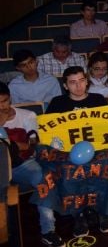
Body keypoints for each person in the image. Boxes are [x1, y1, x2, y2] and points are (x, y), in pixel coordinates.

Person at [46, 67, 108, 235]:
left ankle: (104, 213)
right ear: (66, 85)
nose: (78, 86)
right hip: (69, 152)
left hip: (98, 149)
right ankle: (79, 214)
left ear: (87, 81)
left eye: (82, 81)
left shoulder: (97, 99)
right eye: (73, 82)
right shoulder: (57, 103)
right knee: (69, 168)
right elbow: (49, 135)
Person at [0, 83, 64, 246]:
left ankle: (48, 231)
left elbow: (33, 144)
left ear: (10, 98)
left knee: (43, 179)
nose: (2, 106)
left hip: (22, 164)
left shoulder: (27, 115)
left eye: (5, 101)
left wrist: (19, 145)